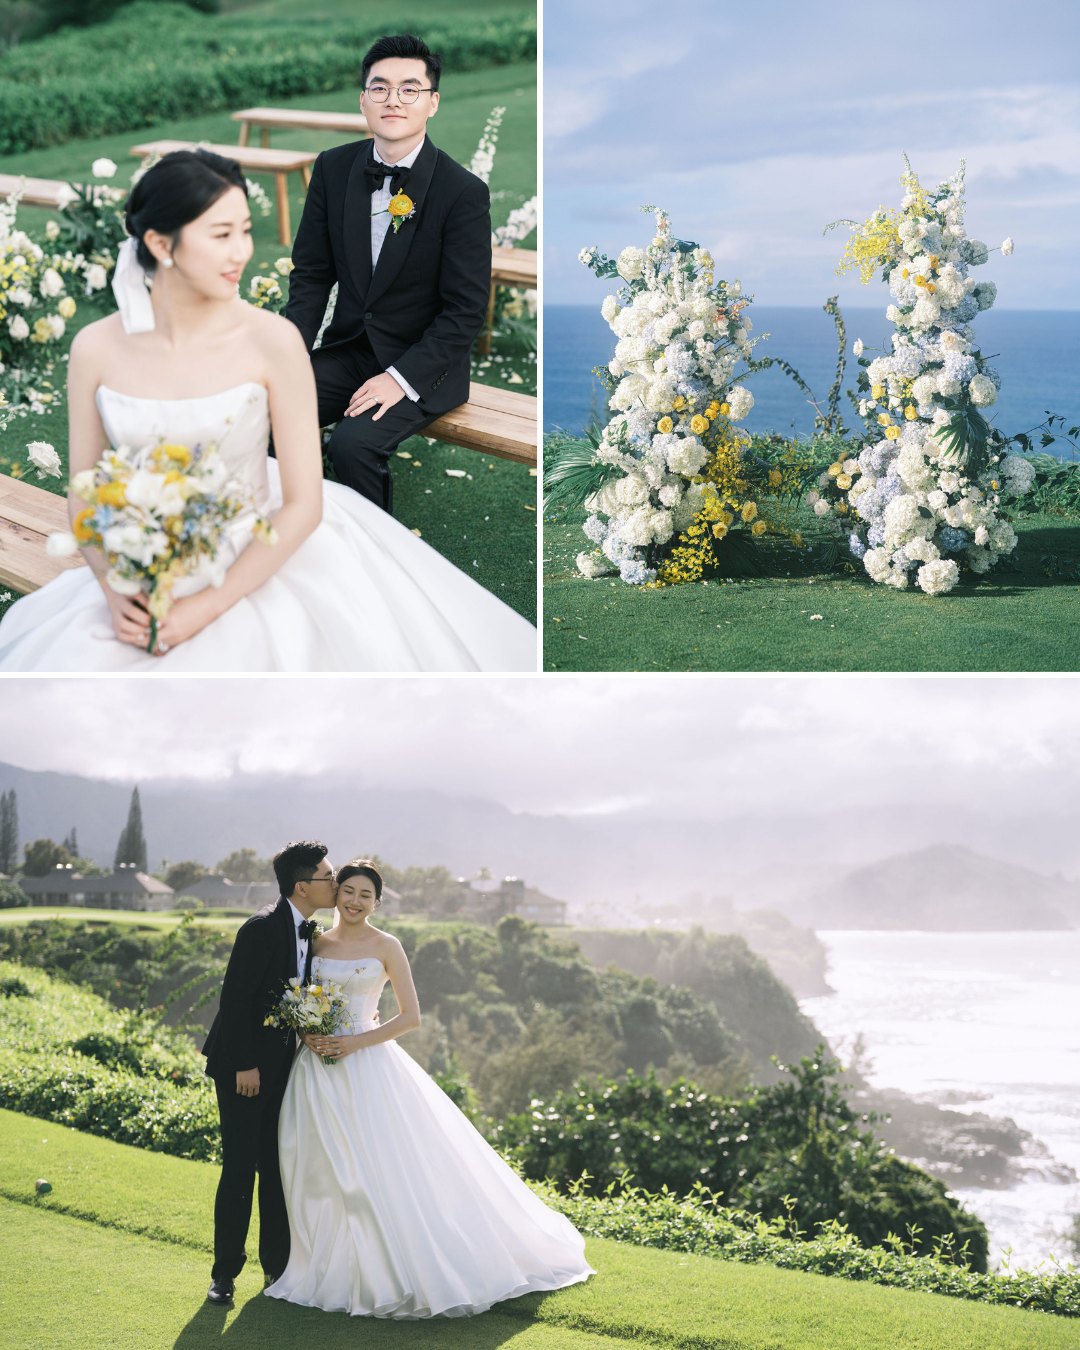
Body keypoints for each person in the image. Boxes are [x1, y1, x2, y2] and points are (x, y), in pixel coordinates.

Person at [0, 149, 535, 671]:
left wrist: (203, 609)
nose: (241, 253)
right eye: (221, 234)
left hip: (266, 553)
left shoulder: (274, 342)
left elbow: (304, 506)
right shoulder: (95, 348)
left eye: (244, 231)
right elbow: (83, 488)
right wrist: (115, 590)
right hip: (141, 576)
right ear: (161, 243)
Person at [265, 859, 595, 1318]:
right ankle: (329, 1265)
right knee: (321, 1170)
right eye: (349, 892)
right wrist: (308, 1034)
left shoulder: (387, 945)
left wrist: (354, 1042)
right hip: (314, 1072)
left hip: (367, 1066)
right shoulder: (314, 942)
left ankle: (388, 1273)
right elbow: (297, 1000)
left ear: (377, 902)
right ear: (336, 893)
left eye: (366, 895)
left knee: (377, 1170)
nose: (356, 901)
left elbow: (410, 1017)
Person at [284, 33, 492, 512]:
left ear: (432, 102)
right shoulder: (333, 168)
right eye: (379, 88)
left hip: (423, 365)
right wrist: (287, 355)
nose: (393, 99)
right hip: (351, 349)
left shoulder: (463, 193)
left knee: (351, 445)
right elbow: (312, 275)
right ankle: (284, 532)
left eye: (409, 89)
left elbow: (464, 312)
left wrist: (399, 378)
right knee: (267, 414)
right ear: (363, 100)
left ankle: (377, 563)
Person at [201, 840, 337, 1305]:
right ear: (302, 886)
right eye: (328, 877)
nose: (334, 884)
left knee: (277, 1167)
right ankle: (224, 1274)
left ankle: (277, 1269)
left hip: (283, 1067)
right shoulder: (260, 927)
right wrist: (244, 1065)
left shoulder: (310, 931)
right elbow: (234, 1002)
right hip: (242, 1066)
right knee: (240, 1167)